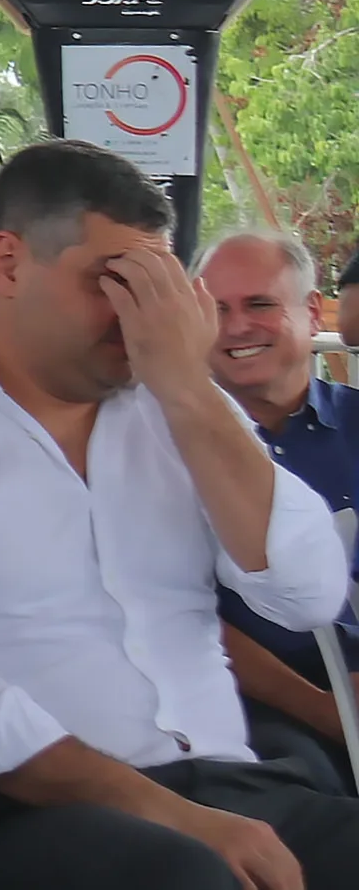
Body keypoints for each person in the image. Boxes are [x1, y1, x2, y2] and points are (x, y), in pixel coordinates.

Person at [0, 140, 359, 889]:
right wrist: (177, 818)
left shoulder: (175, 400)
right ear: (10, 262)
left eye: (155, 282)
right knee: (190, 876)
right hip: (22, 807)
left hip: (228, 781)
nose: (137, 311)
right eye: (112, 280)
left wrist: (189, 392)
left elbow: (307, 590)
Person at [199, 228, 359, 792]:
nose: (237, 326)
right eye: (217, 309)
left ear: (312, 311)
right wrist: (323, 708)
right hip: (260, 700)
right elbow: (187, 617)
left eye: (259, 304)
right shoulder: (165, 452)